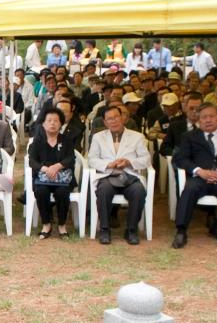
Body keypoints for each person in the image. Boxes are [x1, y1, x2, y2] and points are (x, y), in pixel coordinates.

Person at [172, 103, 217, 247]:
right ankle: (181, 230)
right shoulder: (189, 136)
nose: (208, 120)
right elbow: (180, 159)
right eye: (204, 117)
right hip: (200, 177)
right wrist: (199, 171)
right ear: (199, 119)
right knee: (189, 191)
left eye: (211, 116)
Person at [88, 105, 151, 245]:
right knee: (103, 190)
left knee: (139, 191)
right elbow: (92, 159)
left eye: (116, 117)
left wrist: (129, 162)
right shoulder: (98, 137)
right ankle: (105, 229)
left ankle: (131, 230)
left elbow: (146, 159)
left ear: (122, 117)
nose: (114, 121)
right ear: (105, 122)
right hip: (108, 176)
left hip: (129, 175)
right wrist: (107, 165)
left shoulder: (137, 137)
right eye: (110, 119)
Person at [28, 106, 77, 239]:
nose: (52, 123)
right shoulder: (37, 142)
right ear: (43, 123)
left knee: (62, 193)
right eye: (49, 120)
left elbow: (71, 159)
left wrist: (57, 166)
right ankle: (46, 224)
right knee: (41, 191)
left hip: (62, 179)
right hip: (42, 179)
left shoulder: (66, 140)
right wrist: (46, 169)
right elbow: (32, 161)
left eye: (56, 121)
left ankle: (62, 225)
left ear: (61, 123)